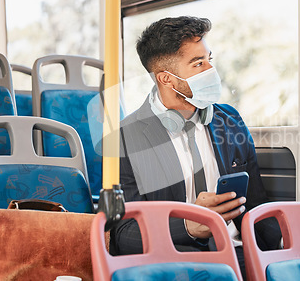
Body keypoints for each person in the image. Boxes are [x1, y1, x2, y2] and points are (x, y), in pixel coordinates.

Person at [110, 16, 281, 278]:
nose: (210, 70)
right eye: (198, 63)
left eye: (209, 59)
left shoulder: (230, 120)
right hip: (175, 260)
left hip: (239, 254)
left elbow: (257, 204)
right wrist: (188, 226)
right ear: (166, 79)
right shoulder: (125, 137)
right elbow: (124, 234)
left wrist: (280, 248)